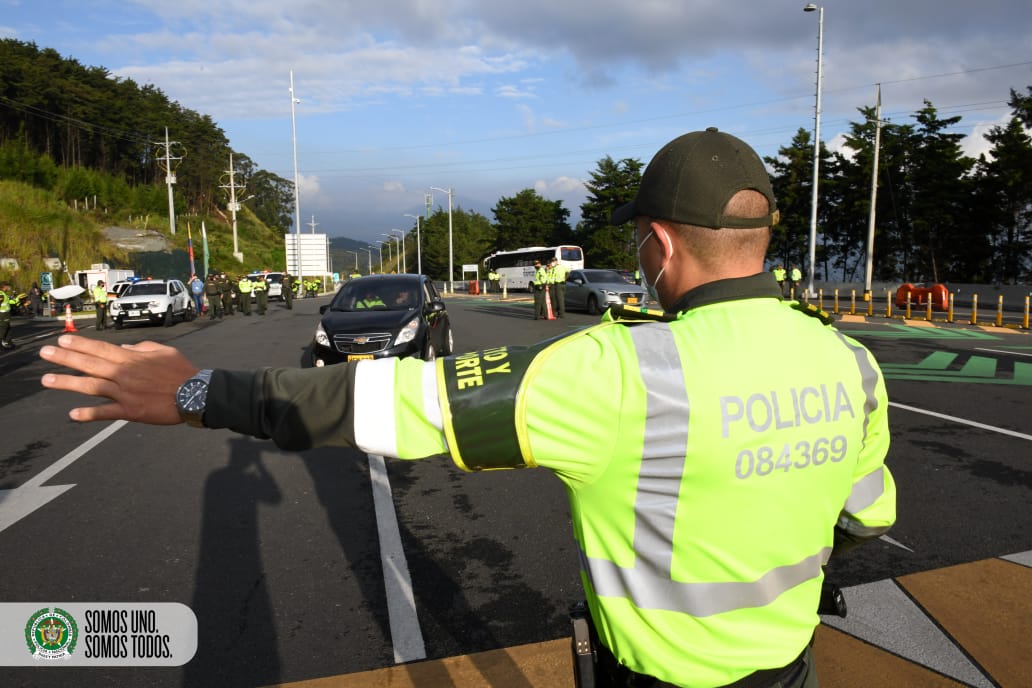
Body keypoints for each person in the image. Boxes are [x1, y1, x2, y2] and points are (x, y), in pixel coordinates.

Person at [38, 128, 896, 688]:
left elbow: (384, 400)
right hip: (792, 670)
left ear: (660, 243)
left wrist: (195, 392)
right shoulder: (850, 363)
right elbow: (863, 516)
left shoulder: (619, 374)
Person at [0, 283, 16, 349]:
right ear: (4, 287)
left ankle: (8, 342)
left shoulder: (4, 293)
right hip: (3, 314)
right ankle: (1, 343)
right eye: (8, 286)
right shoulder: (1, 294)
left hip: (6, 313)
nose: (9, 288)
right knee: (3, 328)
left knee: (8, 328)